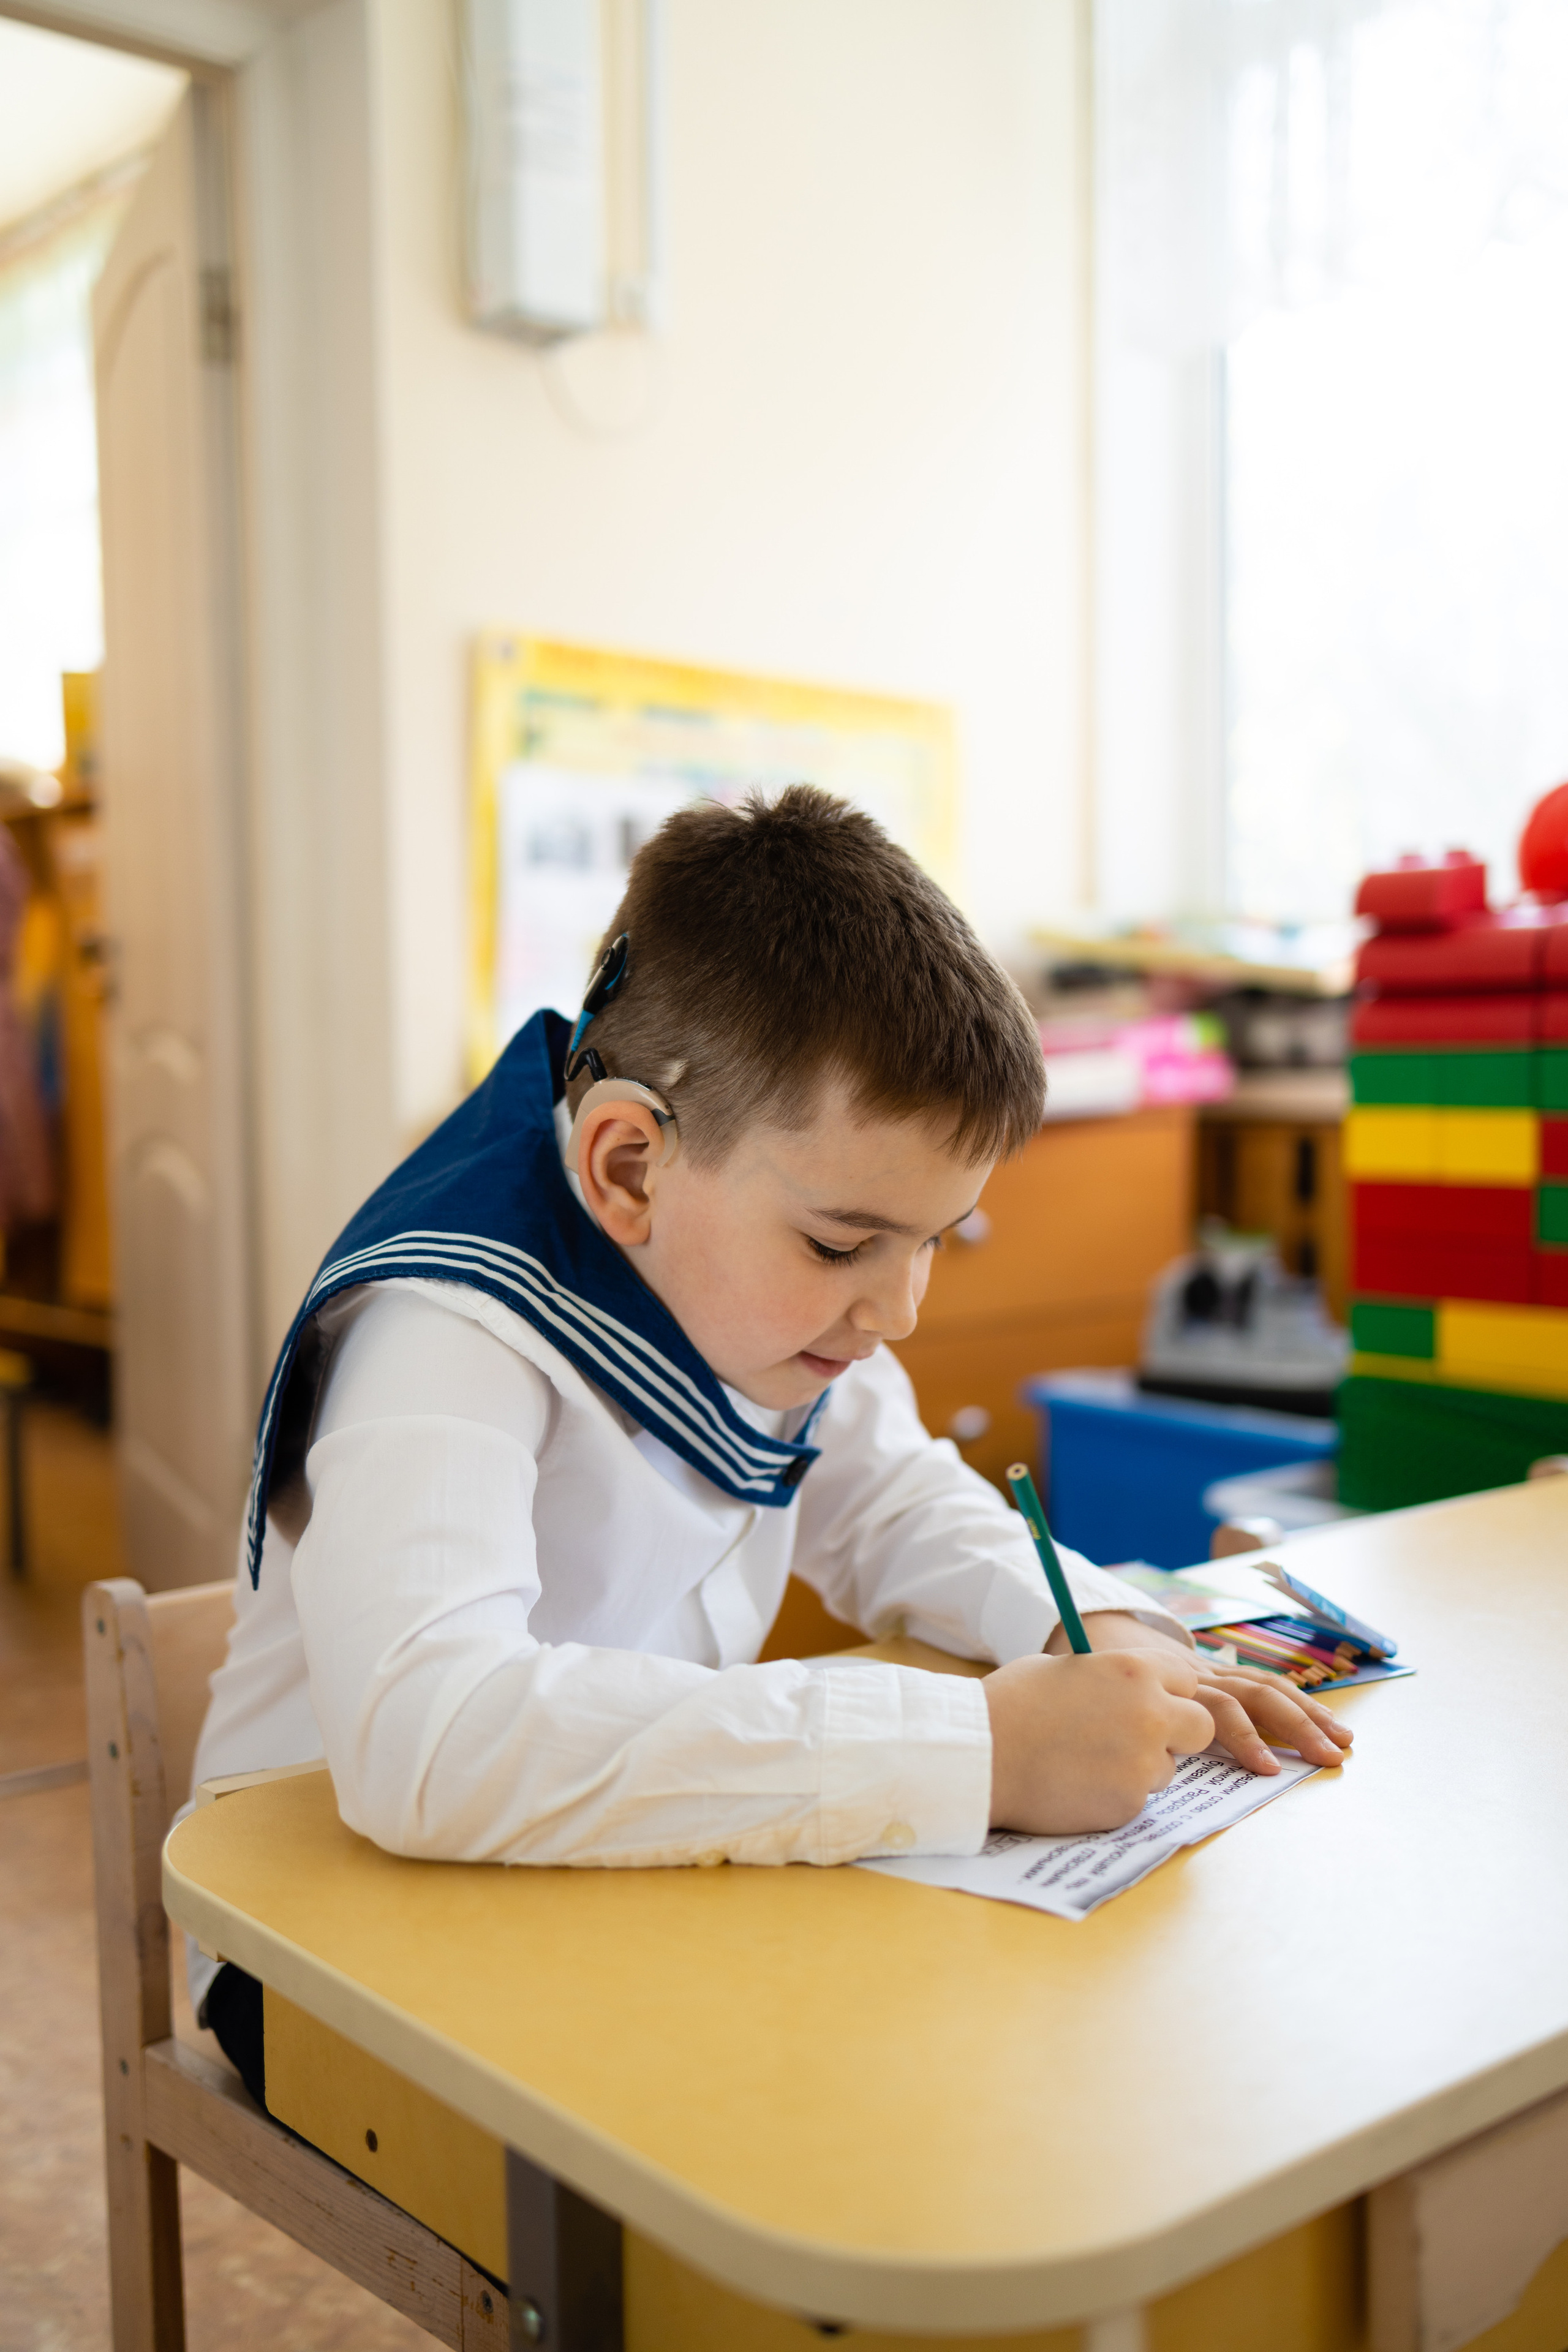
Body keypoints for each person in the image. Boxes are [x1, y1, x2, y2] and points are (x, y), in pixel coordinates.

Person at [190, 787, 1349, 2106]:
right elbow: (433, 1744)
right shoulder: (445, 1327)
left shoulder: (756, 1286)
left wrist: (1090, 1624)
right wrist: (977, 1749)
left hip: (596, 1870)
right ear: (626, 1166)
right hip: (326, 1952)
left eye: (935, 1240)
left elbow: (899, 1506)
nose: (897, 1308)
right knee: (829, 2120)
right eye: (846, 1244)